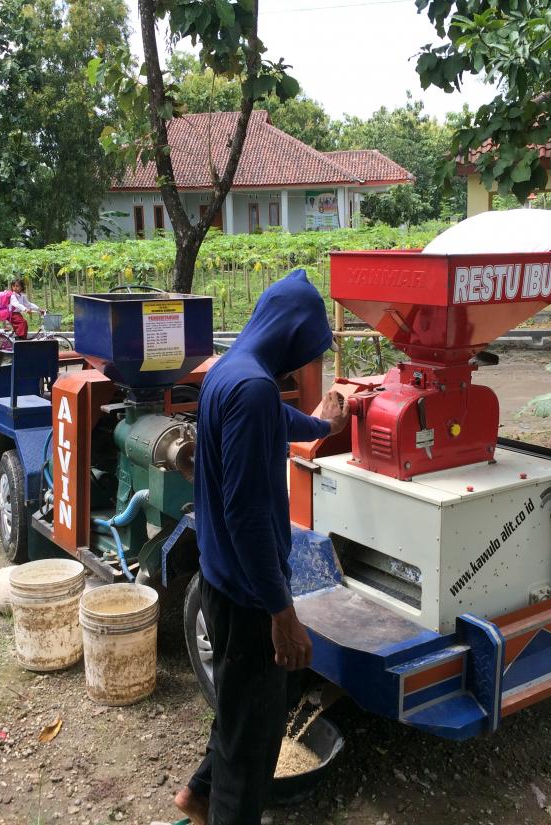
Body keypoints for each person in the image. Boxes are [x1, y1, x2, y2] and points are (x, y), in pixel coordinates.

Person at [174, 269, 348, 825]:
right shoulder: (253, 388)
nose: (305, 363)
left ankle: (197, 795)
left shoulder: (233, 372)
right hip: (250, 597)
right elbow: (248, 517)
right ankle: (221, 807)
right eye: (308, 351)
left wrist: (318, 423)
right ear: (293, 335)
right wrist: (282, 614)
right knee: (254, 751)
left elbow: (273, 418)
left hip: (222, 579)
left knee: (239, 709)